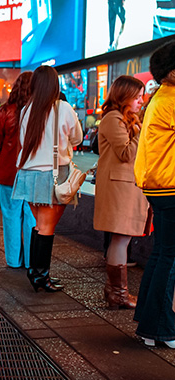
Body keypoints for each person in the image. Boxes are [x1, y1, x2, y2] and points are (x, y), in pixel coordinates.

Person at [12, 65, 83, 293]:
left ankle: (36, 272)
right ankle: (40, 276)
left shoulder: (26, 109)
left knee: (40, 224)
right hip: (54, 174)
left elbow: (24, 140)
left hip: (29, 174)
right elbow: (77, 137)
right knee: (47, 227)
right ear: (55, 84)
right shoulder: (63, 108)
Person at [133, 41, 175, 348]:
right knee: (169, 257)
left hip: (159, 186)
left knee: (162, 253)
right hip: (170, 185)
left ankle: (148, 322)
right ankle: (160, 327)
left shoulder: (160, 97)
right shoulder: (171, 101)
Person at [93, 75, 147, 309]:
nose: (140, 101)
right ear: (123, 96)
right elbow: (125, 153)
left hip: (126, 186)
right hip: (118, 187)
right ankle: (119, 293)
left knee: (122, 239)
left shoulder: (126, 118)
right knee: (120, 239)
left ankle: (115, 292)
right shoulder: (113, 118)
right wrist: (142, 133)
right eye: (137, 96)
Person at [0, 72, 36, 268]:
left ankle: (13, 259)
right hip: (33, 171)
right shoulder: (38, 112)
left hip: (9, 171)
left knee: (11, 215)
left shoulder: (5, 111)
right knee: (32, 216)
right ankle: (30, 260)